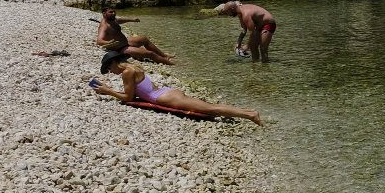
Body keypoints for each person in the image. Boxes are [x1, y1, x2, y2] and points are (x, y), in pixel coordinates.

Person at [92, 50, 262, 124]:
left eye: (108, 68)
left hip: (164, 98)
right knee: (209, 106)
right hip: (167, 92)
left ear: (114, 63)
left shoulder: (126, 73)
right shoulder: (134, 67)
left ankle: (249, 114)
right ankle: (248, 111)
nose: (109, 72)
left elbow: (128, 98)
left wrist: (108, 91)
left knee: (211, 108)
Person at [96, 7, 175, 64]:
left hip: (126, 42)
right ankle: (172, 64)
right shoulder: (104, 26)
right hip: (121, 49)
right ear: (104, 14)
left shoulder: (113, 19)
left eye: (114, 12)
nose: (113, 13)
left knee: (144, 39)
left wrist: (132, 20)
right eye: (111, 12)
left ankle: (165, 56)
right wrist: (109, 42)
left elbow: (120, 20)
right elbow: (99, 40)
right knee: (150, 54)